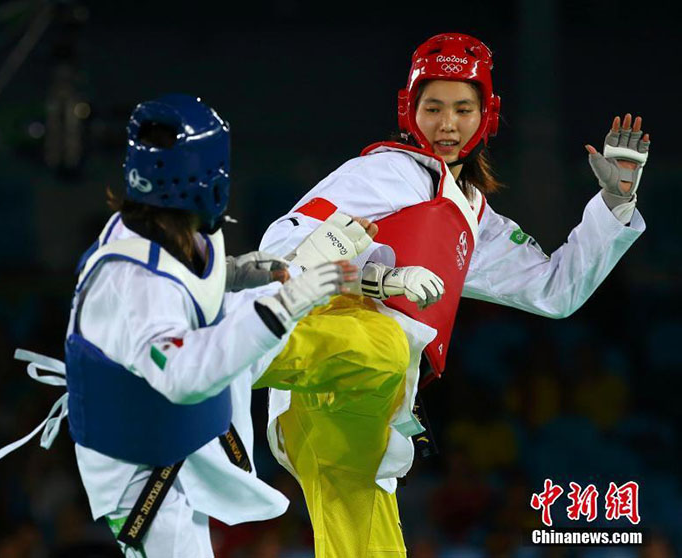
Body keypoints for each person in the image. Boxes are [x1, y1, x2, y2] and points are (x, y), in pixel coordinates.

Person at [255, 32, 649, 557]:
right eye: (433, 108)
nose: (447, 124)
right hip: (337, 361)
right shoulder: (385, 170)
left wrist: (616, 202)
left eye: (463, 109)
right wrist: (375, 280)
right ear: (409, 110)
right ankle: (223, 354)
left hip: (369, 408)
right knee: (383, 346)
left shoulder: (472, 217)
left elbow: (556, 291)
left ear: (487, 116)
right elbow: (281, 248)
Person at [0, 93, 366, 558]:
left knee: (261, 303)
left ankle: (306, 268)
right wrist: (289, 302)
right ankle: (302, 279)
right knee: (269, 314)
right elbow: (183, 375)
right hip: (141, 467)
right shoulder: (134, 284)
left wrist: (234, 273)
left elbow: (181, 281)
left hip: (175, 427)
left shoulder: (156, 229)